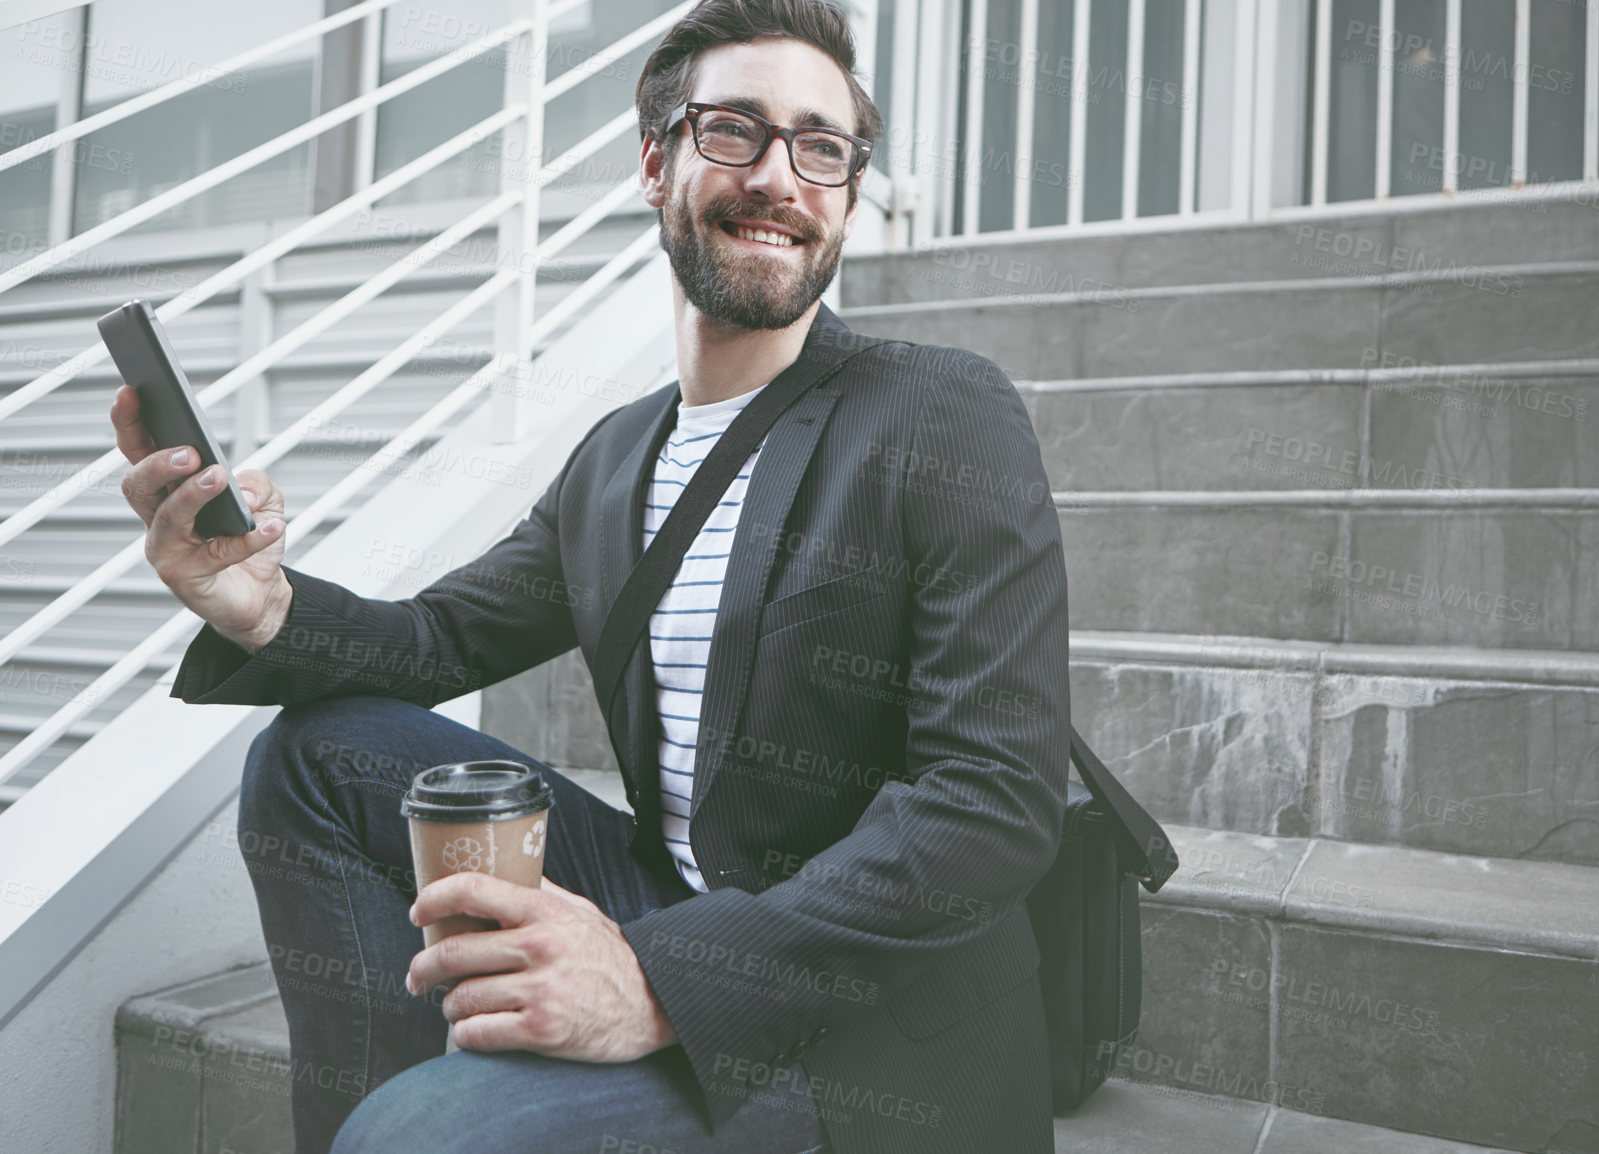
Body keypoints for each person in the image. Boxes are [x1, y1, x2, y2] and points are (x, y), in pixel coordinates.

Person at [111, 2, 1069, 1151]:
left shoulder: (936, 408)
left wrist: (661, 981)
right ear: (656, 162)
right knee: (313, 757)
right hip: (668, 890)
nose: (779, 176)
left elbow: (991, 800)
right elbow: (436, 640)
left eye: (821, 148)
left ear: (848, 195)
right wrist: (263, 606)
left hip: (858, 1008)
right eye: (735, 132)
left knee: (426, 1137)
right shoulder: (617, 455)